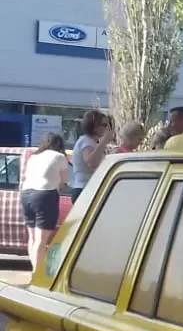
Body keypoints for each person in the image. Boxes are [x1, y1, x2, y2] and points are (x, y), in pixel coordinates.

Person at [20, 133, 69, 271]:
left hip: (26, 194)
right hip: (45, 195)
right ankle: (37, 274)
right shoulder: (59, 157)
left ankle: (34, 269)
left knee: (33, 238)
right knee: (41, 241)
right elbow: (64, 180)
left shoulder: (34, 157)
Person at [70, 110, 115, 200]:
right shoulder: (86, 141)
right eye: (104, 125)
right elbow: (91, 163)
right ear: (94, 127)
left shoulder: (93, 142)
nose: (108, 128)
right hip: (83, 188)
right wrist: (104, 142)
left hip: (89, 187)